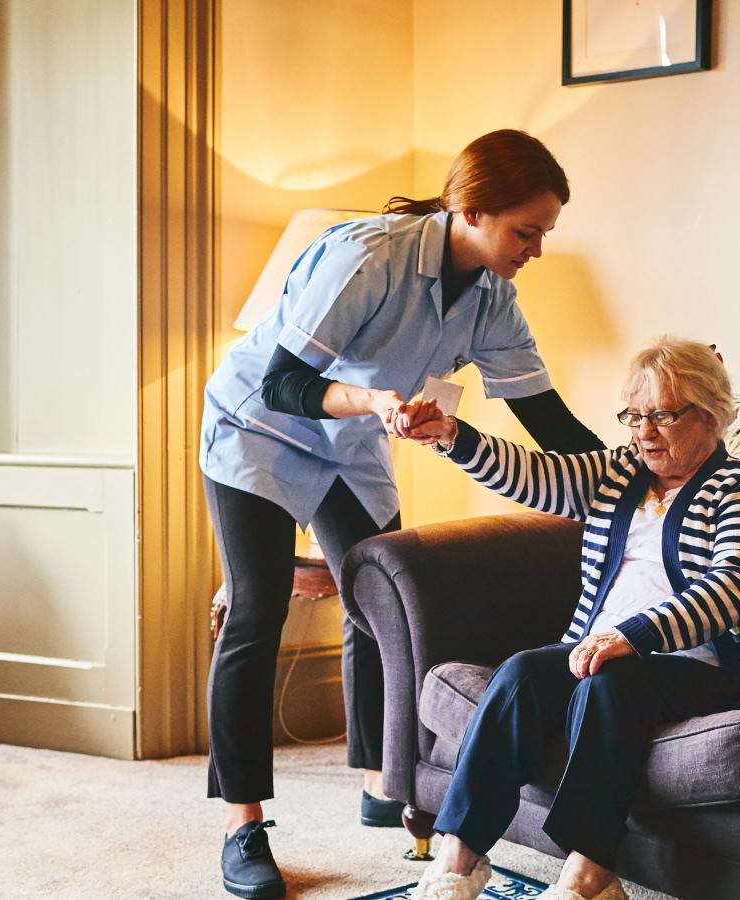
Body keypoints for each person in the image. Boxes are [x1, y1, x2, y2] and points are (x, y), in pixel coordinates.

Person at [199, 129, 604, 898]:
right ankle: (242, 824)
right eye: (527, 231)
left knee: (382, 599)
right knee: (255, 607)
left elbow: (547, 421)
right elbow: (285, 383)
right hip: (261, 425)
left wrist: (635, 469)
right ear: (472, 210)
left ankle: (383, 781)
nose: (537, 249)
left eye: (545, 233)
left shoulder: (491, 300)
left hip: (349, 440)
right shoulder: (367, 256)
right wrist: (376, 401)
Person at [391, 337, 740, 900]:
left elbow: (730, 588)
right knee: (523, 672)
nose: (643, 431)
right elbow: (536, 474)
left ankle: (589, 876)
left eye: (662, 416)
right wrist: (452, 437)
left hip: (713, 667)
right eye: (634, 415)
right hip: (600, 650)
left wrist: (630, 637)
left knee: (609, 680)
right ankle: (456, 864)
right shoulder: (620, 472)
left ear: (710, 414)